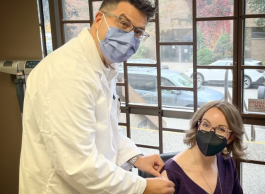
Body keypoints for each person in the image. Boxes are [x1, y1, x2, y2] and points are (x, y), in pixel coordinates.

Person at [19, 0, 175, 194]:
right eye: (124, 24)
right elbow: (78, 165)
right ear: (99, 18)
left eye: (137, 32)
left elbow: (107, 130)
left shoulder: (104, 65)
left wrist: (136, 157)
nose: (130, 37)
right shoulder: (68, 73)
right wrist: (142, 187)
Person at [161, 101, 246, 194]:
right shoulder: (171, 174)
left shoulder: (227, 163)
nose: (210, 133)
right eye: (206, 124)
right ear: (198, 126)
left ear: (230, 137)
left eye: (221, 129)